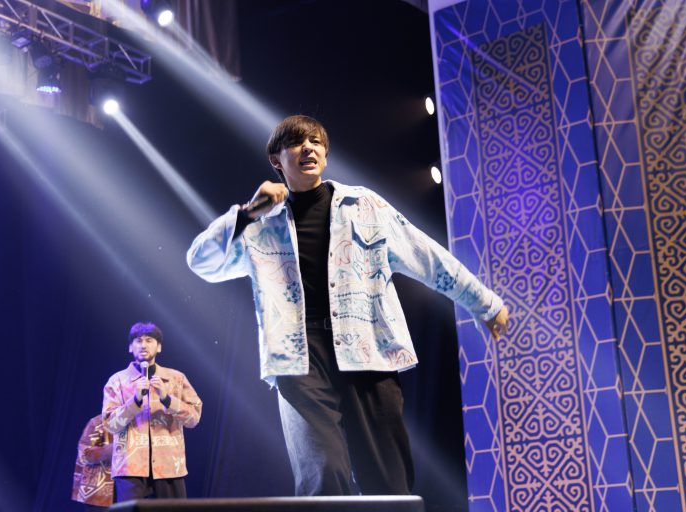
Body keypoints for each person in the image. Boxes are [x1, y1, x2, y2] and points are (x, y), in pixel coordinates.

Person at [187, 115, 509, 496]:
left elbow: (427, 256)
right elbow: (200, 261)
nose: (308, 148)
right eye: (296, 142)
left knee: (388, 480)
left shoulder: (364, 206)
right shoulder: (260, 225)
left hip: (368, 349)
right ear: (276, 160)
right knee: (322, 474)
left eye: (315, 142)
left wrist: (484, 303)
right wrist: (247, 213)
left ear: (325, 154)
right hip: (298, 359)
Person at [102, 322, 202, 501]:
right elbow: (110, 425)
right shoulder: (117, 381)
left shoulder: (176, 378)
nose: (143, 345)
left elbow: (194, 418)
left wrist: (167, 399)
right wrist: (135, 400)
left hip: (169, 465)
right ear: (130, 347)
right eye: (138, 341)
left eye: (149, 340)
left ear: (159, 347)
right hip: (130, 467)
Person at [71, 413, 114, 510]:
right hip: (100, 494)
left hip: (134, 489)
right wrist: (115, 449)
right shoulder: (97, 422)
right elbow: (85, 455)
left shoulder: (141, 421)